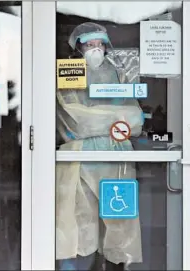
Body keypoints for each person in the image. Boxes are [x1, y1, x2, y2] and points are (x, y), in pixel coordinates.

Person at [55, 22, 144, 270]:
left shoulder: (117, 73)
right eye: (89, 45)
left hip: (116, 155)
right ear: (79, 47)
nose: (95, 49)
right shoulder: (69, 72)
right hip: (81, 156)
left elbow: (136, 119)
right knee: (81, 218)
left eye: (99, 44)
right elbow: (75, 120)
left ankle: (115, 265)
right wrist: (116, 118)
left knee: (119, 218)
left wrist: (101, 118)